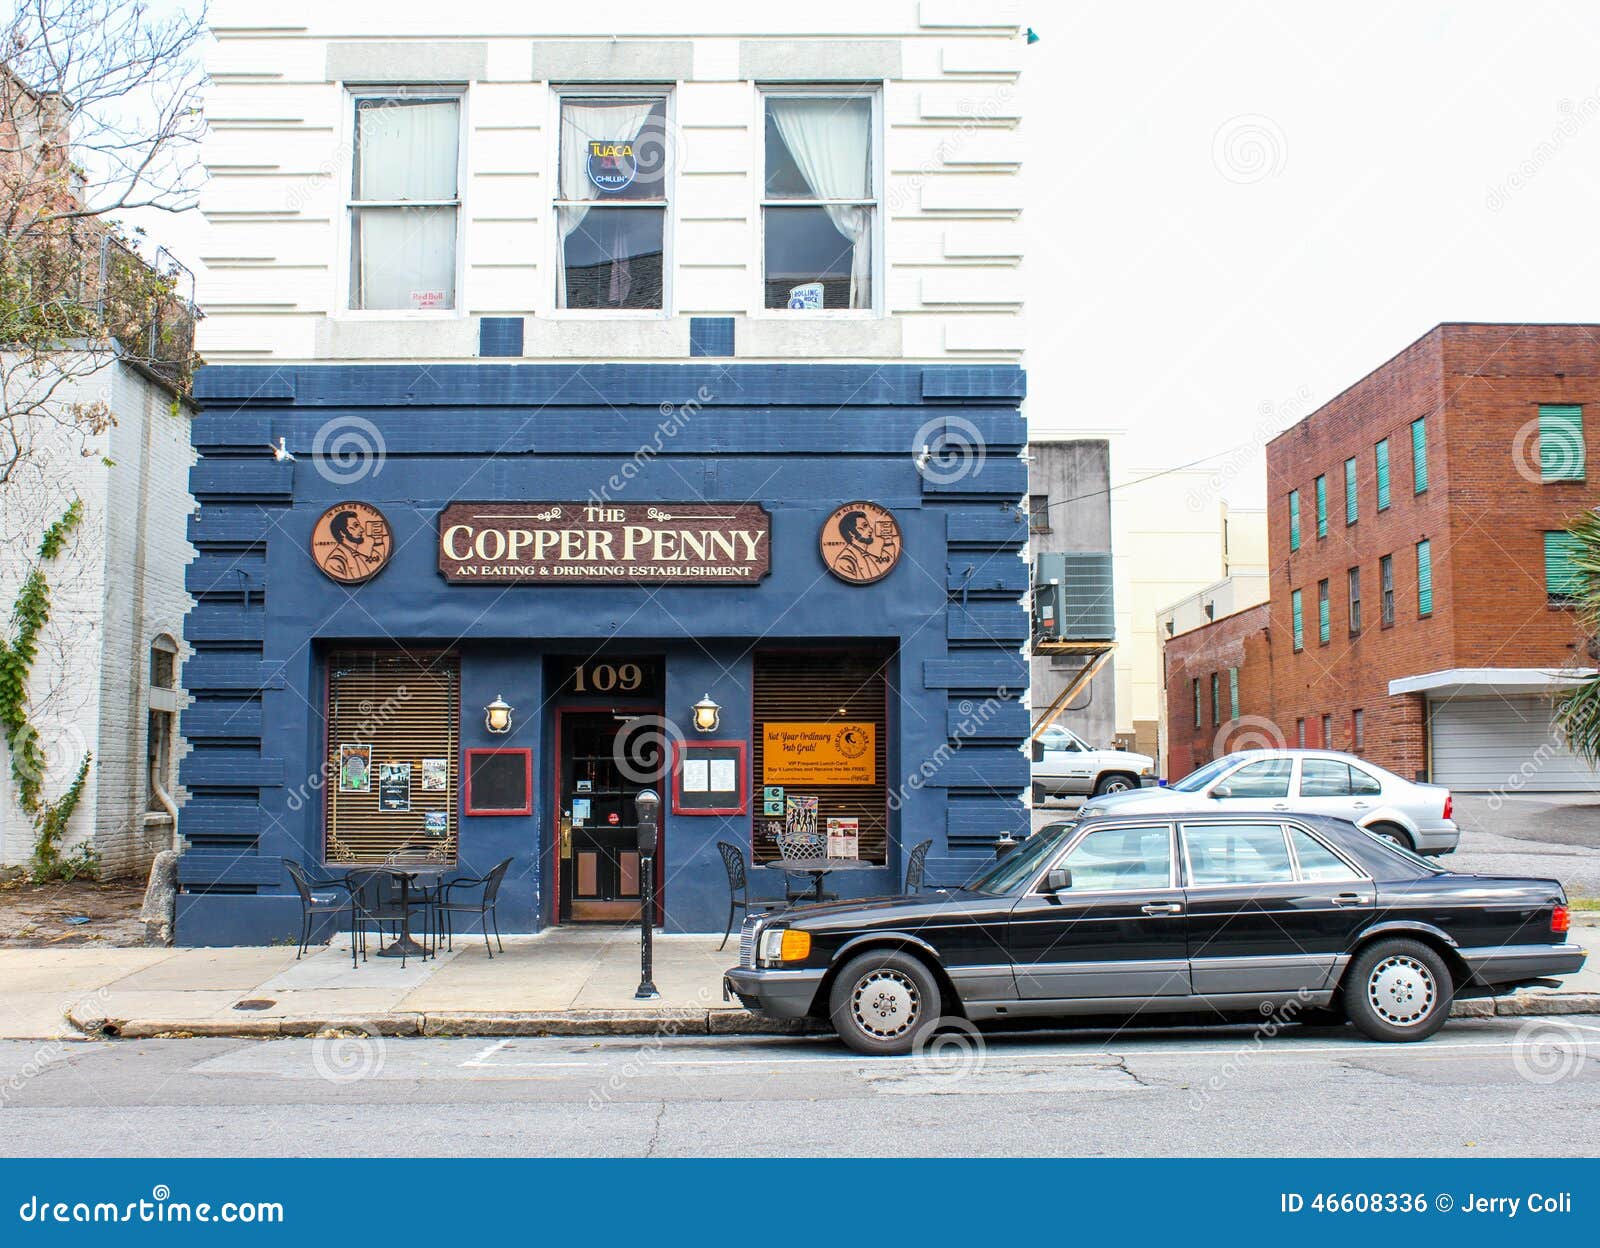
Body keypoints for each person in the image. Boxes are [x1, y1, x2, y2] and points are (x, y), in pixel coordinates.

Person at [831, 510, 897, 581]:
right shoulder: (845, 561)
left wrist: (888, 540)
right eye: (865, 526)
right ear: (851, 533)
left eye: (869, 525)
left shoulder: (869, 556)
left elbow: (886, 564)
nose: (871, 529)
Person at [322, 509, 387, 580]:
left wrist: (378, 539)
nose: (362, 529)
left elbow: (377, 563)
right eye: (356, 526)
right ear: (342, 532)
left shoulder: (358, 555)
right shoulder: (335, 562)